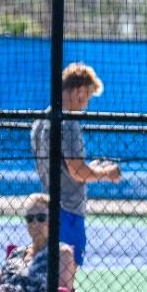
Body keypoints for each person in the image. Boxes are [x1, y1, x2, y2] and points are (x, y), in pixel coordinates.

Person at [31, 62, 122, 267]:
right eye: (88, 97)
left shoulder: (40, 122)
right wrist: (107, 173)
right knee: (65, 278)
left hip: (48, 209)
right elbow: (78, 172)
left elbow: (62, 166)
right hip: (69, 212)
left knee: (47, 275)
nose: (86, 105)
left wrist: (91, 168)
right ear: (80, 91)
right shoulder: (69, 123)